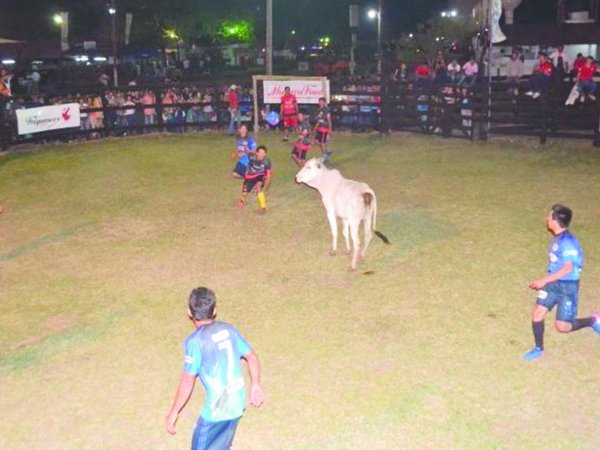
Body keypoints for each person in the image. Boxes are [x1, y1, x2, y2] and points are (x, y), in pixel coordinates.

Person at [165, 287, 264, 449]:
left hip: (216, 411)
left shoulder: (195, 342)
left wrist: (174, 411)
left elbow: (187, 380)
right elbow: (251, 356)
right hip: (238, 403)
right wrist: (255, 385)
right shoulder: (230, 329)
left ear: (190, 312)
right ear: (215, 310)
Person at [523, 204, 600, 361]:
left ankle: (593, 321)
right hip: (553, 283)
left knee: (563, 327)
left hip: (567, 287)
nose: (547, 218)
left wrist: (543, 280)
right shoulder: (559, 238)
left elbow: (568, 268)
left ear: (555, 221)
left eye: (549, 216)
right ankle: (539, 348)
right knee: (538, 313)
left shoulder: (568, 243)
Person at [238, 145, 272, 212]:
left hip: (260, 175)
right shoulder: (251, 156)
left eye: (264, 153)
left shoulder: (267, 162)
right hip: (250, 176)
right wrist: (242, 153)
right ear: (257, 153)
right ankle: (242, 200)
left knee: (259, 187)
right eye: (260, 153)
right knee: (244, 193)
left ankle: (263, 207)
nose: (262, 155)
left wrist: (267, 187)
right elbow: (247, 153)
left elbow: (269, 176)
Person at [313, 97, 333, 162]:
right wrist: (315, 128)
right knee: (316, 141)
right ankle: (325, 151)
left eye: (322, 101)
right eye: (320, 101)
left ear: (324, 102)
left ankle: (324, 155)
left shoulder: (326, 109)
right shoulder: (318, 110)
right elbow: (318, 121)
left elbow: (329, 119)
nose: (321, 102)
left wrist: (330, 129)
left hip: (324, 128)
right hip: (319, 128)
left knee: (322, 142)